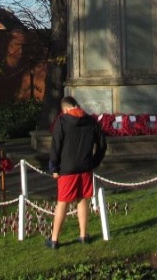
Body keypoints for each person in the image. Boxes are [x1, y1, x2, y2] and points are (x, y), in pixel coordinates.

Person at [46, 95, 107, 249]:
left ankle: (54, 239)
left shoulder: (62, 121)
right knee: (82, 200)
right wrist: (94, 162)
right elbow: (102, 145)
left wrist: (54, 167)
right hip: (85, 167)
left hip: (67, 169)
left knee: (62, 203)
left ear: (66, 109)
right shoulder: (91, 121)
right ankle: (83, 235)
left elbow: (56, 145)